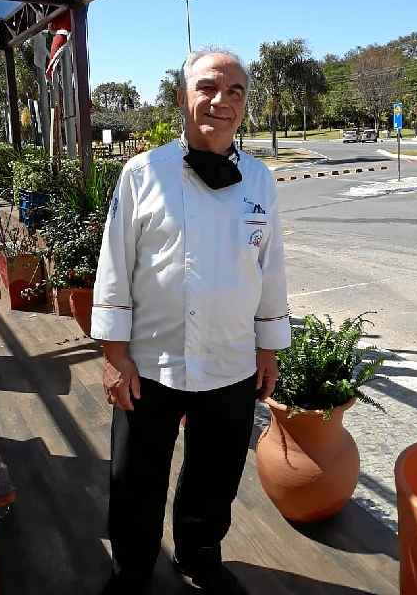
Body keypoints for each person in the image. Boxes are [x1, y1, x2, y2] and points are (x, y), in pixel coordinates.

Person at [91, 48, 291, 595]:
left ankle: (199, 556)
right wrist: (113, 355)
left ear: (245, 105)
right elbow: (114, 265)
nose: (220, 100)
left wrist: (268, 348)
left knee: (216, 474)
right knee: (136, 477)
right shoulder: (143, 173)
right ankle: (130, 569)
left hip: (230, 358)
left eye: (235, 91)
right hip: (150, 360)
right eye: (207, 87)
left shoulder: (261, 181)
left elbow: (269, 271)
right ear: (182, 97)